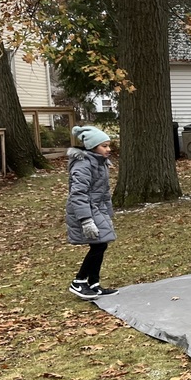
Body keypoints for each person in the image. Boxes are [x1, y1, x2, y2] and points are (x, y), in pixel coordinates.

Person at [66, 125, 118, 299]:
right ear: (92, 147)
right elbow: (78, 194)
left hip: (97, 209)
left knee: (101, 244)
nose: (108, 149)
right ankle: (79, 281)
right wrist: (86, 220)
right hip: (85, 210)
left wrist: (108, 215)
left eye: (109, 145)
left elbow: (103, 194)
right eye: (104, 146)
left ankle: (93, 283)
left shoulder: (100, 163)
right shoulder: (83, 165)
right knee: (99, 244)